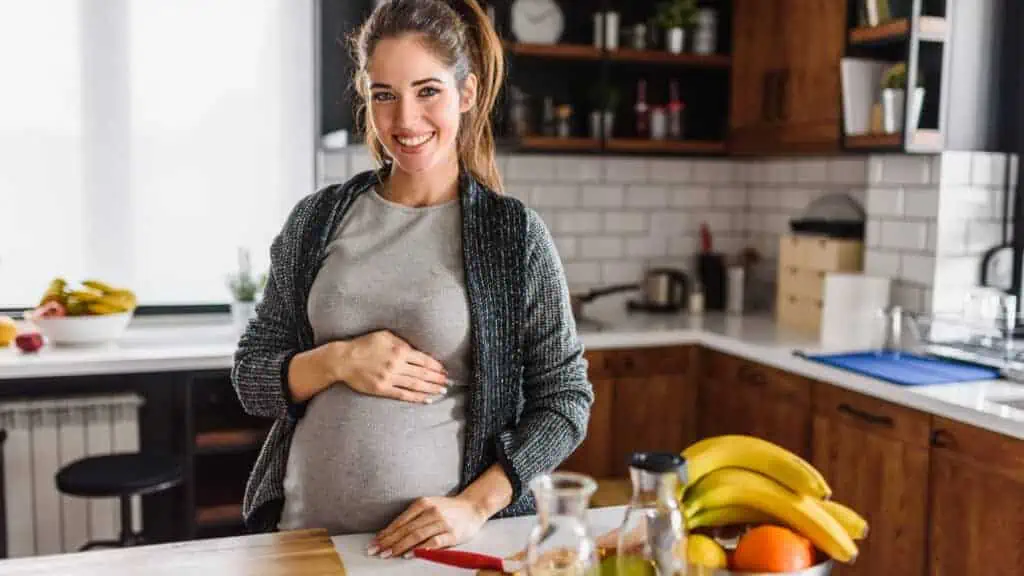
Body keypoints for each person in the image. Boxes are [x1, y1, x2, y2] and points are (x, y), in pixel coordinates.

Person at [230, 0, 593, 560]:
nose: (405, 121)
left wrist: (474, 506)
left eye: (428, 91)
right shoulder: (317, 220)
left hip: (439, 550)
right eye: (384, 95)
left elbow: (565, 401)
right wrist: (340, 360)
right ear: (366, 96)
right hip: (303, 537)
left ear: (466, 94)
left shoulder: (512, 234)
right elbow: (251, 375)